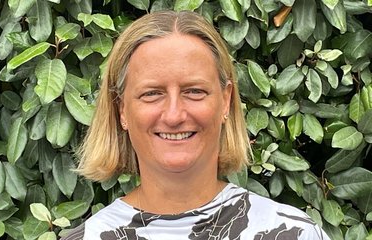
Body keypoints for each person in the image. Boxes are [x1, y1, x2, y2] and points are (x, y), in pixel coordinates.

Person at [61, 10, 330, 240]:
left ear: (225, 101)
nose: (174, 115)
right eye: (152, 93)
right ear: (122, 109)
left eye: (194, 91)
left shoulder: (293, 233)